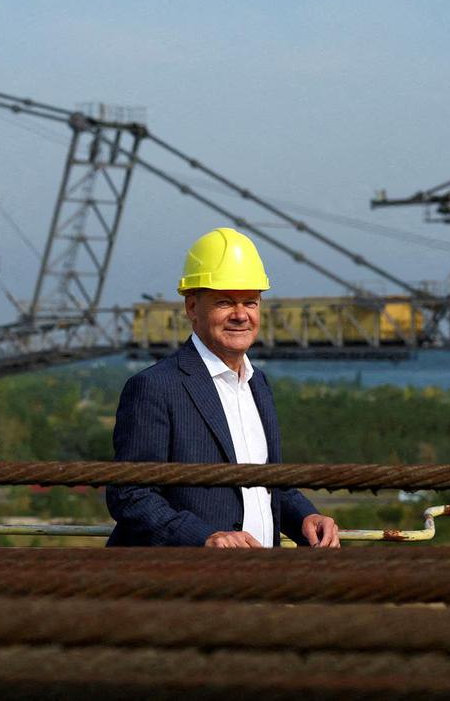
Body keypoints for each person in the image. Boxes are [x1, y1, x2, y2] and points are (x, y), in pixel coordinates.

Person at [106, 227, 340, 548]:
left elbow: (269, 485)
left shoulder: (258, 384)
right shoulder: (155, 387)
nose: (241, 315)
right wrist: (205, 538)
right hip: (186, 583)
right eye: (225, 302)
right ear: (191, 308)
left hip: (256, 581)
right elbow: (130, 495)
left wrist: (306, 518)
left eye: (251, 302)